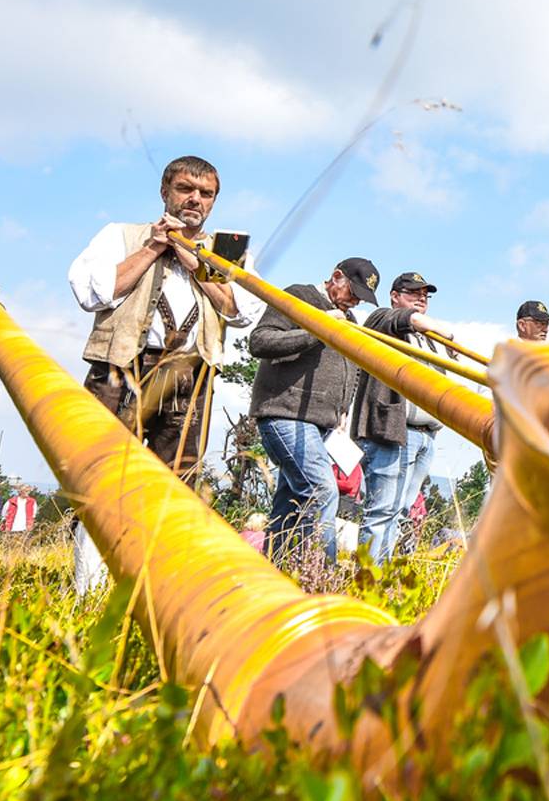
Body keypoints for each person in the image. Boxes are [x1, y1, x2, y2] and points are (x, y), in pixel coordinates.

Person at [68, 155, 249, 480]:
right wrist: (152, 248)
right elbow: (89, 294)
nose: (195, 199)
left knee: (175, 483)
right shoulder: (120, 235)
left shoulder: (227, 252)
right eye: (185, 188)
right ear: (165, 191)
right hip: (119, 369)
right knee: (99, 472)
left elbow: (240, 312)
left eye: (206, 194)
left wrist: (196, 262)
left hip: (190, 379)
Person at [251, 257, 380, 566]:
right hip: (286, 413)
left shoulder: (350, 321)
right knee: (321, 490)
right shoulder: (299, 296)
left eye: (362, 297)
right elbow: (260, 341)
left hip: (323, 425)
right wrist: (318, 329)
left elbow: (356, 368)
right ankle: (322, 579)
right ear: (336, 277)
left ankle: (273, 575)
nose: (356, 301)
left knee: (289, 503)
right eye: (353, 291)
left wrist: (344, 407)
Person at [354, 272, 456, 564]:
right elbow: (407, 320)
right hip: (393, 430)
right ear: (395, 296)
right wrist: (445, 333)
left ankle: (382, 577)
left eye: (425, 294)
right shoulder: (384, 319)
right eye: (412, 292)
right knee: (382, 509)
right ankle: (367, 580)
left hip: (426, 435)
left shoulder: (430, 340)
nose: (421, 297)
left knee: (400, 511)